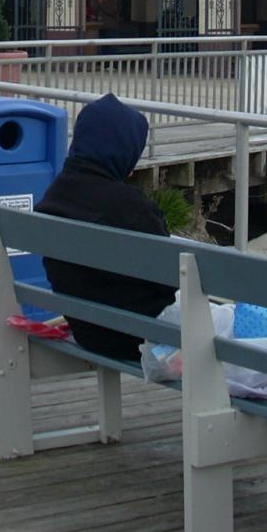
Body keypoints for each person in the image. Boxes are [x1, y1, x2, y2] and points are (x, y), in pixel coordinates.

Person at [35, 93, 174, 360]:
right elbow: (170, 279)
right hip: (140, 337)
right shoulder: (132, 209)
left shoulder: (53, 197)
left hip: (87, 331)